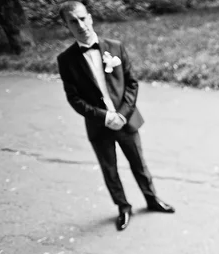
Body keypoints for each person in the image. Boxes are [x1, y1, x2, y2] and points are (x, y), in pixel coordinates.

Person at [56, 1, 174, 231]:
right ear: (66, 25)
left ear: (90, 17)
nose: (80, 25)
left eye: (82, 18)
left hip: (126, 120)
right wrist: (104, 117)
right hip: (99, 125)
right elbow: (74, 98)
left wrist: (121, 114)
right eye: (73, 21)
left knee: (139, 163)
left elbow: (131, 83)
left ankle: (151, 199)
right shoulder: (66, 60)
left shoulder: (115, 47)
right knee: (109, 169)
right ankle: (123, 207)